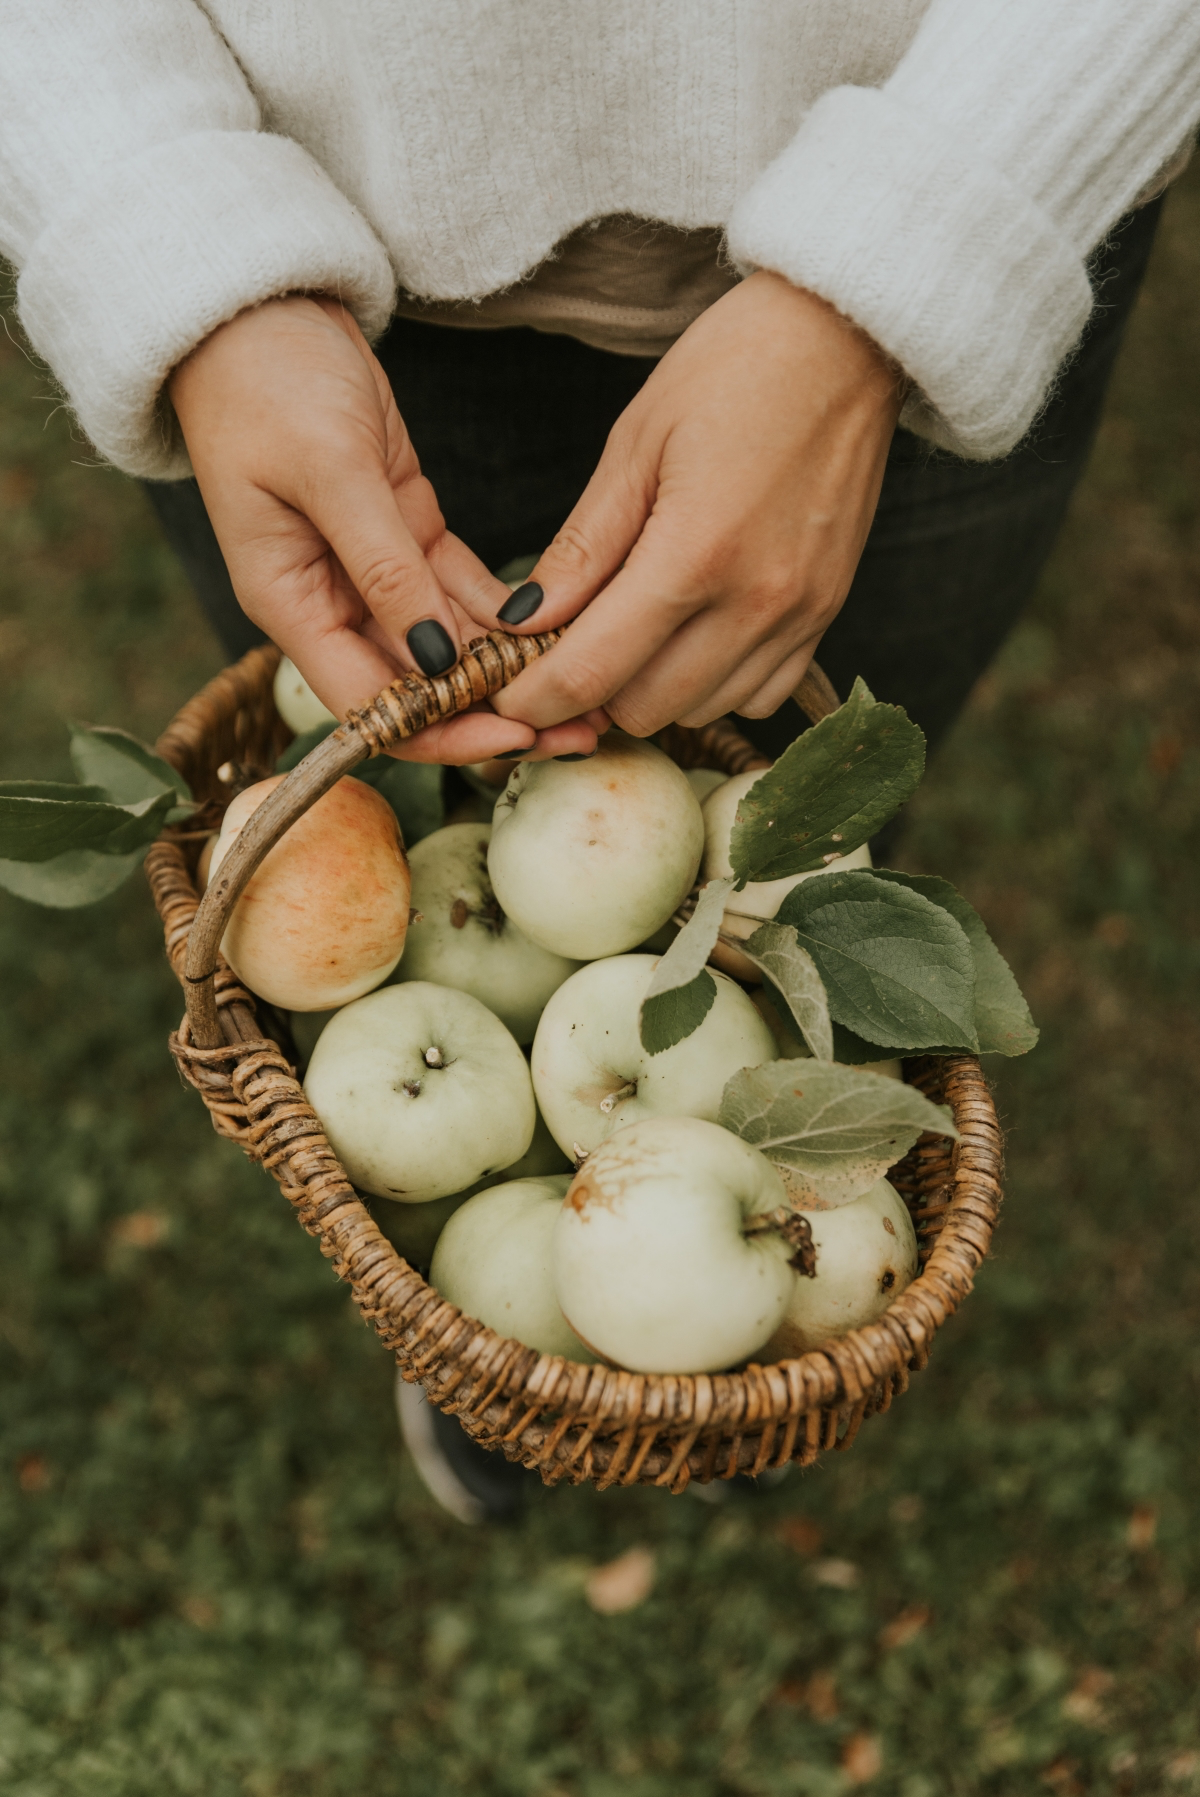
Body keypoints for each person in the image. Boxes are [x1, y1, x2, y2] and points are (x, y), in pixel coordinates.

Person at [4, 2, 1199, 1518]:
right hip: (307, 231)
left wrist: (930, 243)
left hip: (949, 135)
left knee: (804, 806)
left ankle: (691, 1353)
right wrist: (157, 210)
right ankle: (540, 1351)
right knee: (404, 749)